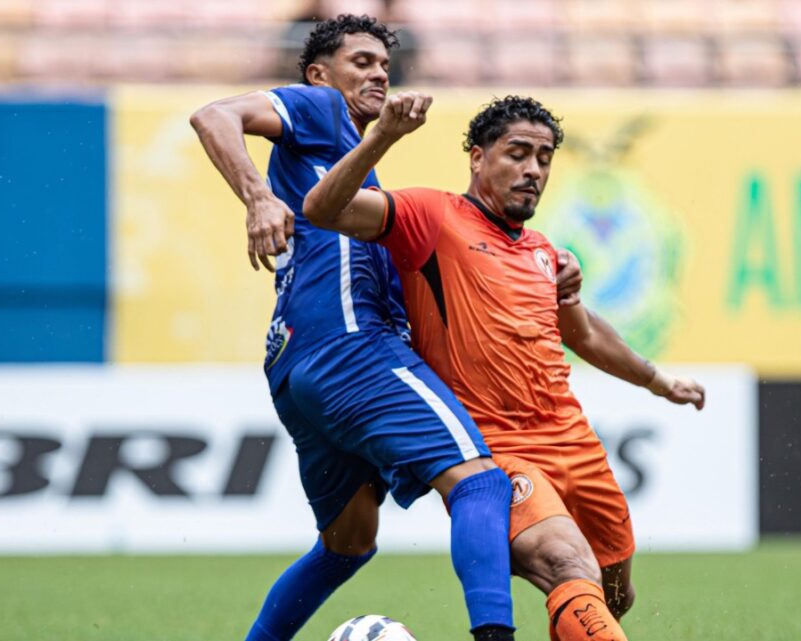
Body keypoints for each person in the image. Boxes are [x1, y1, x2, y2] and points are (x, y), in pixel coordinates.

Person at [190, 16, 575, 641]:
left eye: (383, 66)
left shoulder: (349, 167)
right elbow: (212, 115)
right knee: (480, 483)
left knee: (348, 544)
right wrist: (258, 197)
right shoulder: (318, 110)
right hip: (349, 347)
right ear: (318, 74)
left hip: (296, 363)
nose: (377, 74)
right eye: (361, 62)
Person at [302, 93, 707, 641]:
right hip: (497, 447)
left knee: (613, 594)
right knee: (568, 565)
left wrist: (657, 380)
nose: (533, 170)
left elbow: (583, 333)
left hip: (574, 442)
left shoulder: (545, 252)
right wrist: (383, 137)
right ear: (477, 157)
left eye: (543, 158)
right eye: (517, 153)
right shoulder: (432, 217)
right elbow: (322, 211)